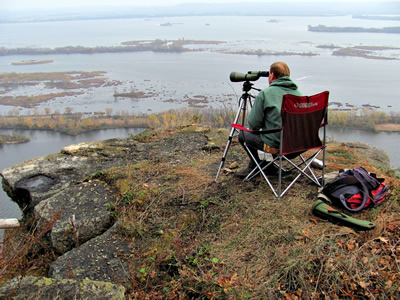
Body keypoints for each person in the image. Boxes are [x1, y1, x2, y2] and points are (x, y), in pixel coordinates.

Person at [236, 61, 302, 178]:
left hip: (277, 146)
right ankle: (266, 166)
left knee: (243, 135)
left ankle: (261, 166)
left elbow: (254, 125)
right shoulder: (299, 95)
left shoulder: (265, 94)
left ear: (272, 75)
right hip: (299, 146)